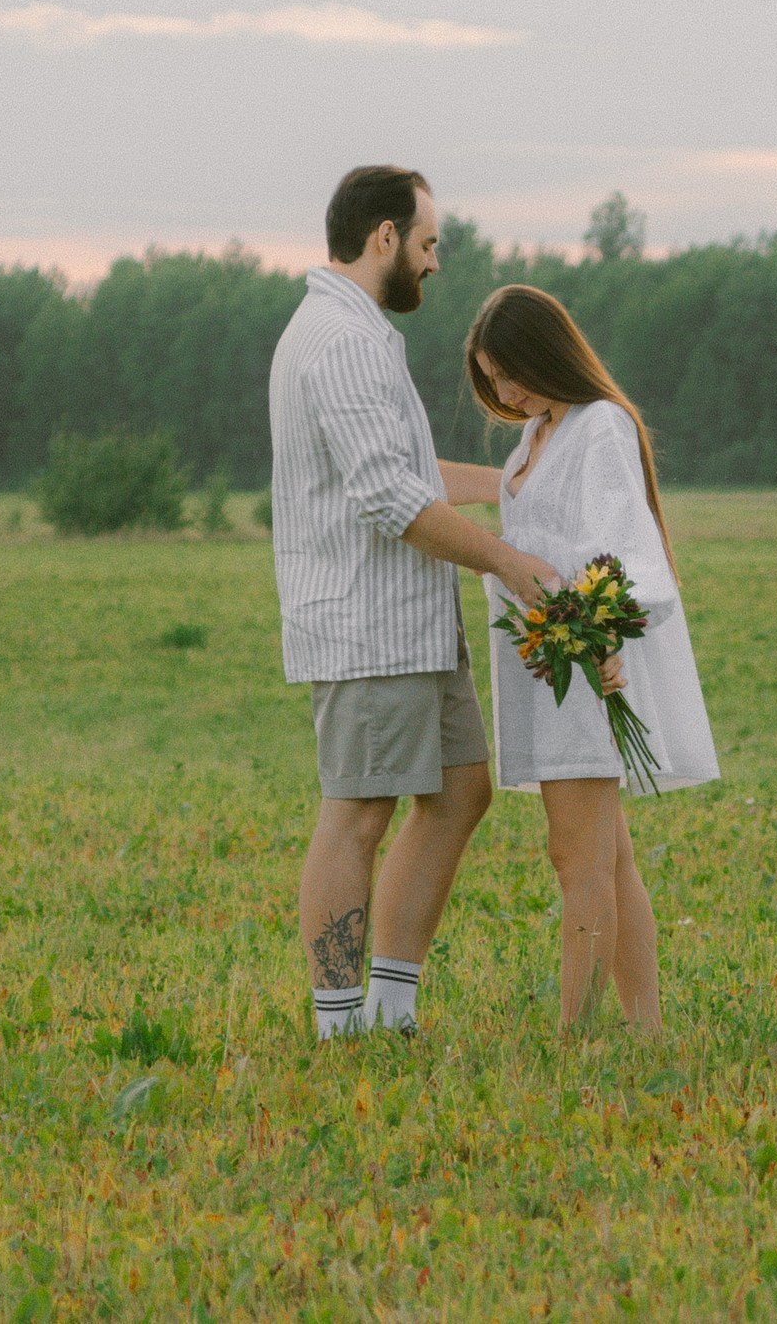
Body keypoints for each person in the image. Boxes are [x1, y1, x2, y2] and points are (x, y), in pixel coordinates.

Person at [268, 166, 563, 1039]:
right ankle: (338, 1025)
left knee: (462, 790)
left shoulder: (357, 332)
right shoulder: (341, 340)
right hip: (367, 625)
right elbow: (389, 499)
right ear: (385, 236)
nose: (435, 263)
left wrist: (520, 478)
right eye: (429, 244)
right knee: (358, 812)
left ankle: (392, 1011)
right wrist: (506, 560)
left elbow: (408, 472)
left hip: (411, 623)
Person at [463, 285, 720, 1033]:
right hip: (551, 663)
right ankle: (646, 1029)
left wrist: (603, 637)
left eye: (513, 374)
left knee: (576, 858)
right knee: (607, 860)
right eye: (493, 380)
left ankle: (573, 1037)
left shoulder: (598, 425)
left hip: (578, 661)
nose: (507, 393)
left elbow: (623, 547)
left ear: (548, 353)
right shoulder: (536, 435)